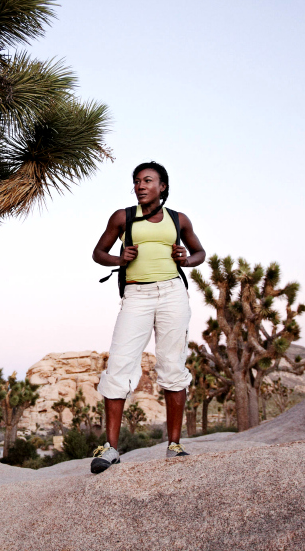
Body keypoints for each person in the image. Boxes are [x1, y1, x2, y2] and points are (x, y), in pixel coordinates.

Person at [89, 161, 206, 474]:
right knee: (120, 364)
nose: (140, 186)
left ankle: (174, 445)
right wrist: (119, 257)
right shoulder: (123, 217)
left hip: (172, 294)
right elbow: (98, 253)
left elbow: (199, 253)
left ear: (162, 186)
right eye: (137, 181)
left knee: (172, 364)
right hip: (137, 295)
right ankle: (111, 448)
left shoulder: (178, 219)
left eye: (147, 180)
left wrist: (187, 258)